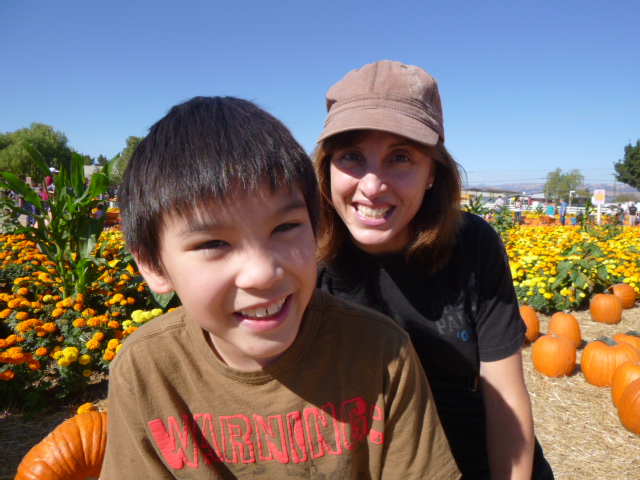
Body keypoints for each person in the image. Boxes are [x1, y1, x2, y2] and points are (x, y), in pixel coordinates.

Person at [101, 96, 460, 479]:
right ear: (154, 265)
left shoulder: (383, 355)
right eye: (212, 244)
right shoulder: (146, 370)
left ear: (316, 229)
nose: (262, 274)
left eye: (285, 228)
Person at [313, 60, 553, 479]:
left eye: (400, 158)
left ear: (431, 174)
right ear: (326, 166)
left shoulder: (473, 243)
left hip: (472, 454)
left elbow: (504, 397)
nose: (372, 185)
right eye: (352, 156)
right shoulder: (305, 252)